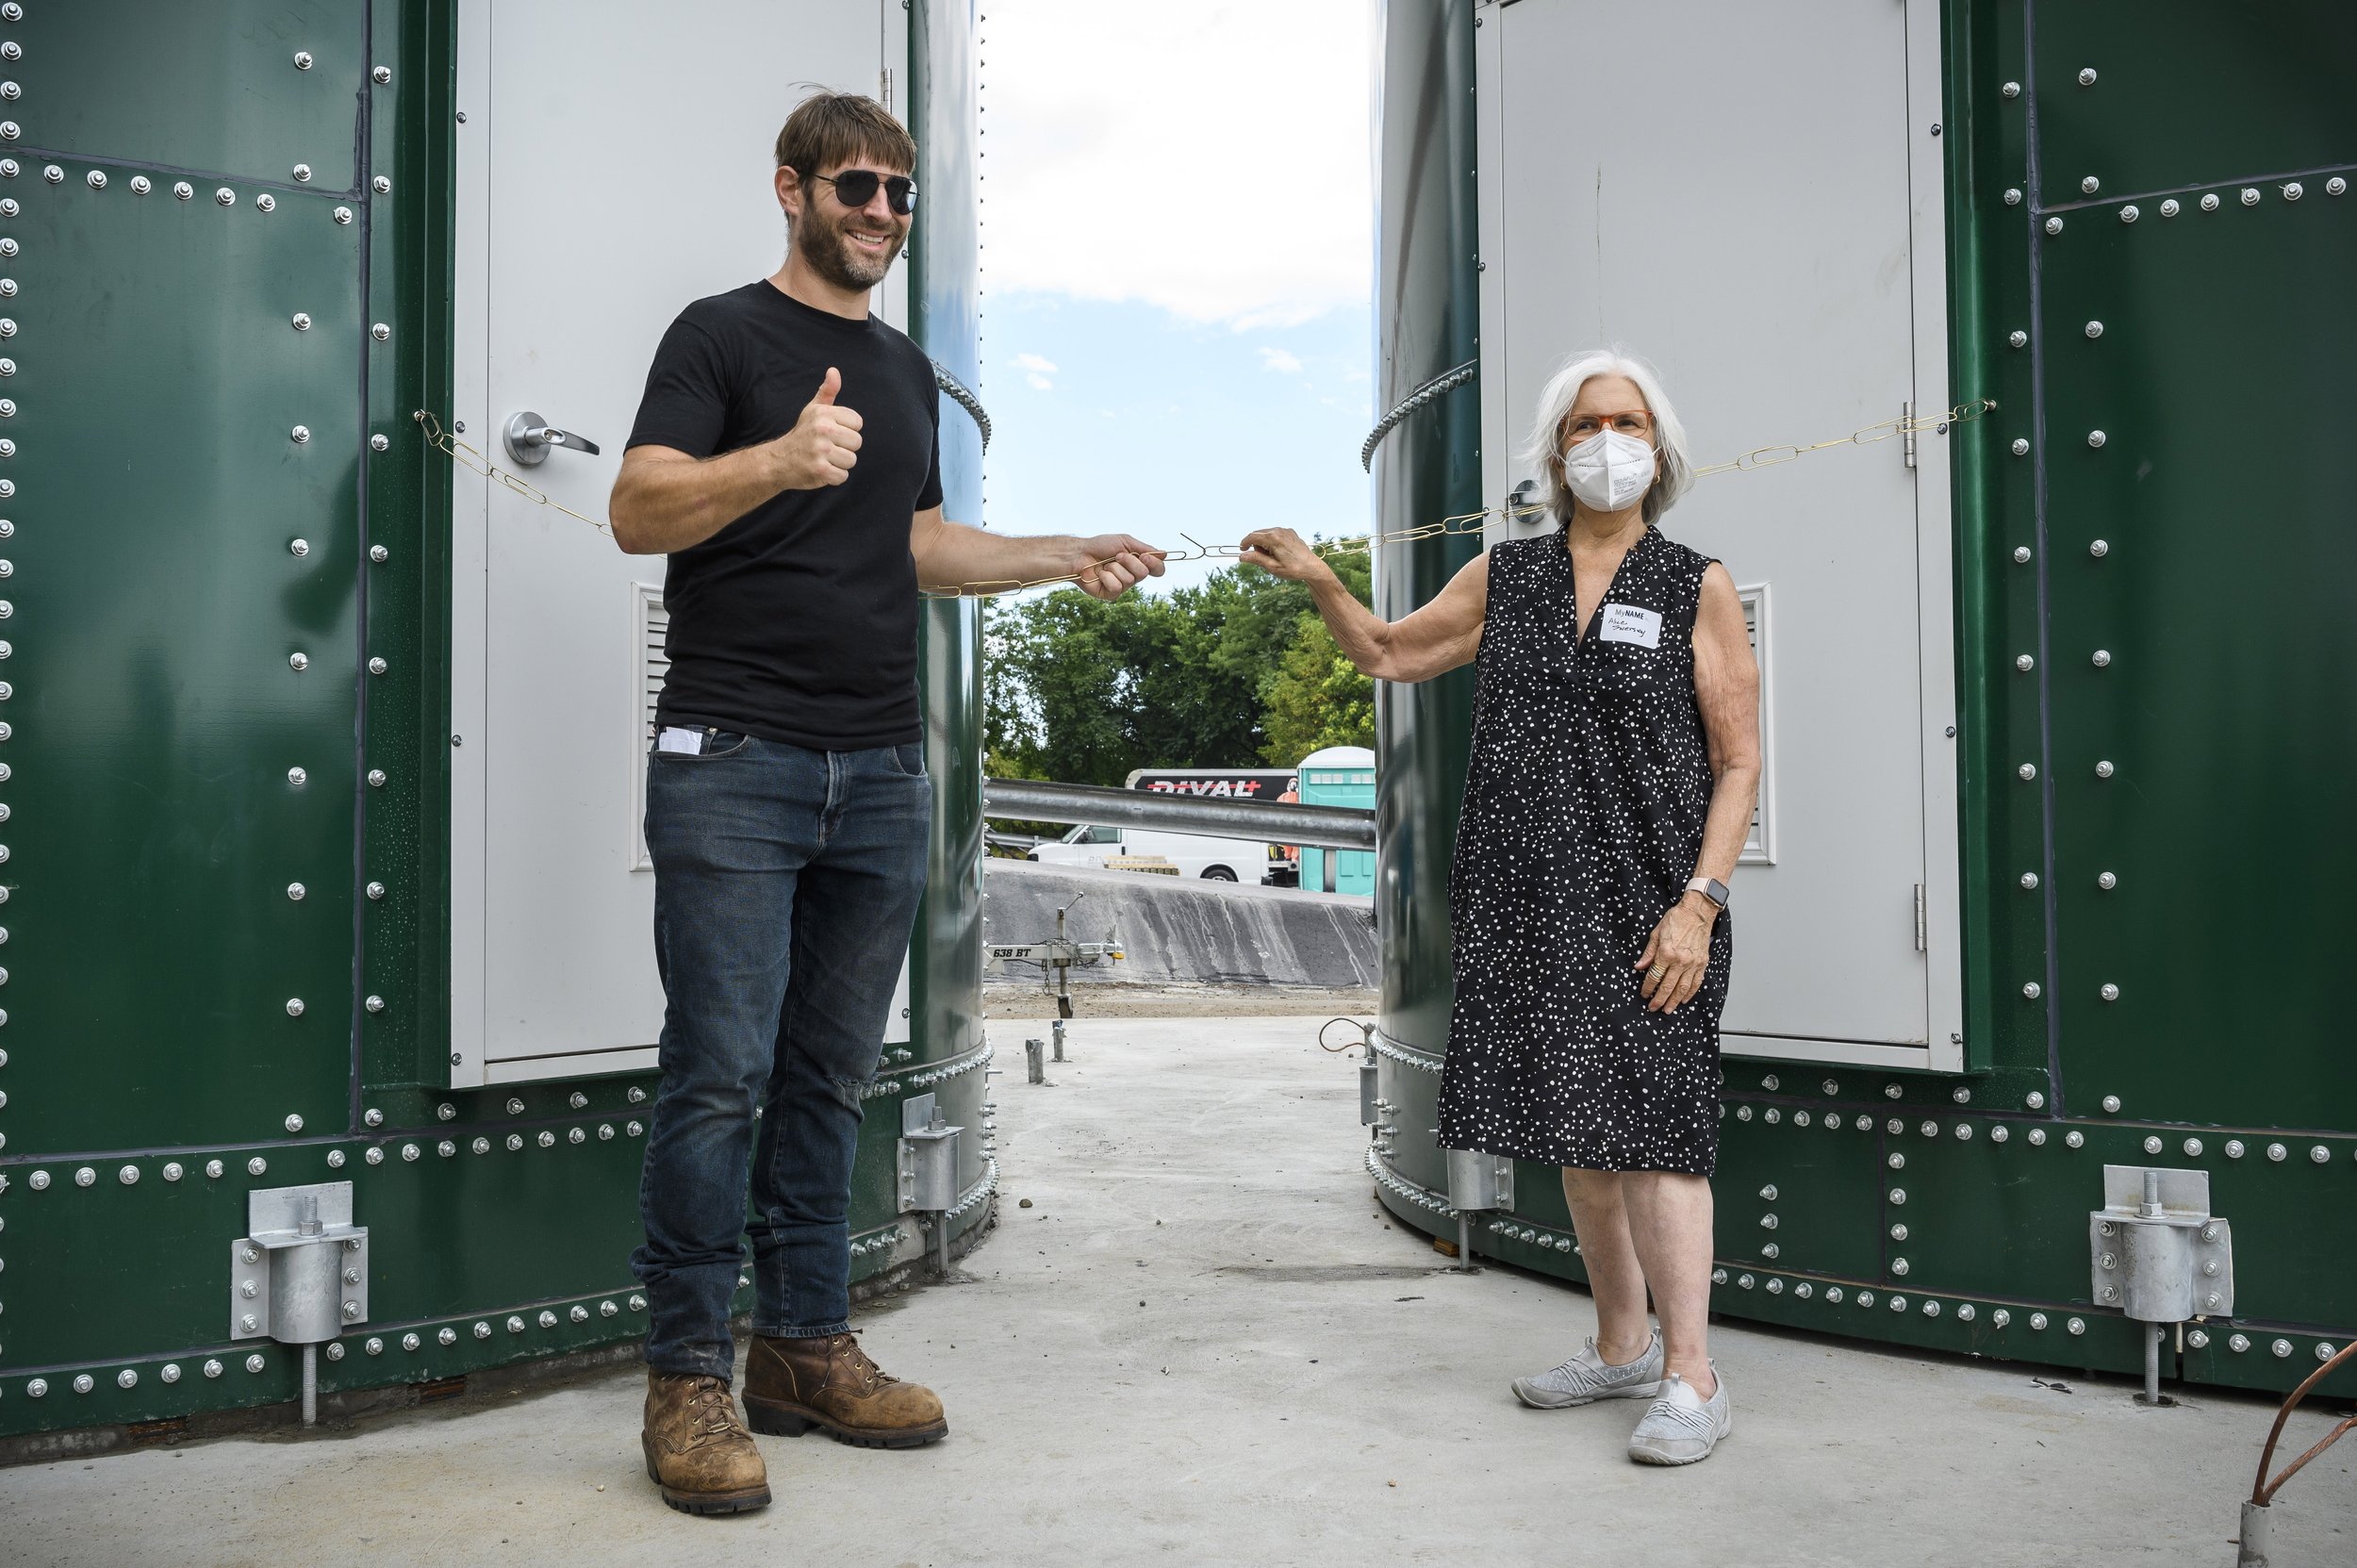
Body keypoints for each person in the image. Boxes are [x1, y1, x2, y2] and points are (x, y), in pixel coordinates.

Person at [609, 91, 1162, 1516]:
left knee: (828, 1074)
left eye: (902, 193)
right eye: (857, 186)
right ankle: (687, 1374)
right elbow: (641, 505)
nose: (882, 213)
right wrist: (776, 461)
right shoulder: (719, 336)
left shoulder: (905, 372)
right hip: (733, 757)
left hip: (878, 769)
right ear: (790, 188)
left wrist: (1059, 551)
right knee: (718, 1071)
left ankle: (801, 1342)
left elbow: (914, 539)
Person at [1240, 350, 1761, 1466]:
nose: (1606, 440)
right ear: (1556, 450)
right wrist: (1319, 577)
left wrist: (1700, 903)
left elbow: (1740, 762)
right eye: (1584, 424)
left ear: (1656, 449)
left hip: (1653, 905)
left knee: (1662, 1137)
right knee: (1580, 1135)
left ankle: (1692, 1374)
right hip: (1527, 898)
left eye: (1626, 421)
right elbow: (1388, 651)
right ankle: (1621, 1345)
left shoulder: (1694, 583)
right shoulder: (1507, 576)